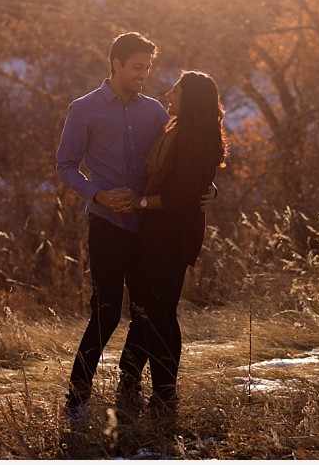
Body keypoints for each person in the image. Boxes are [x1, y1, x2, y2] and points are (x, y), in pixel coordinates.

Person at [55, 33, 216, 420]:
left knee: (147, 311)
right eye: (137, 67)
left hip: (150, 229)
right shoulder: (84, 109)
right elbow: (65, 165)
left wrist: (209, 187)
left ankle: (129, 386)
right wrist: (99, 195)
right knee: (106, 312)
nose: (144, 75)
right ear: (116, 64)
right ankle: (77, 397)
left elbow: (185, 159)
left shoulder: (155, 113)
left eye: (148, 67)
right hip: (108, 224)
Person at [126, 71, 228, 416]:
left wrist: (138, 203)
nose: (169, 93)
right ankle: (139, 386)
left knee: (157, 314)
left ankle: (164, 396)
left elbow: (178, 196)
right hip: (167, 233)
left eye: (177, 90)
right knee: (157, 312)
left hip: (169, 235)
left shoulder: (190, 139)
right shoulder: (183, 132)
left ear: (190, 98)